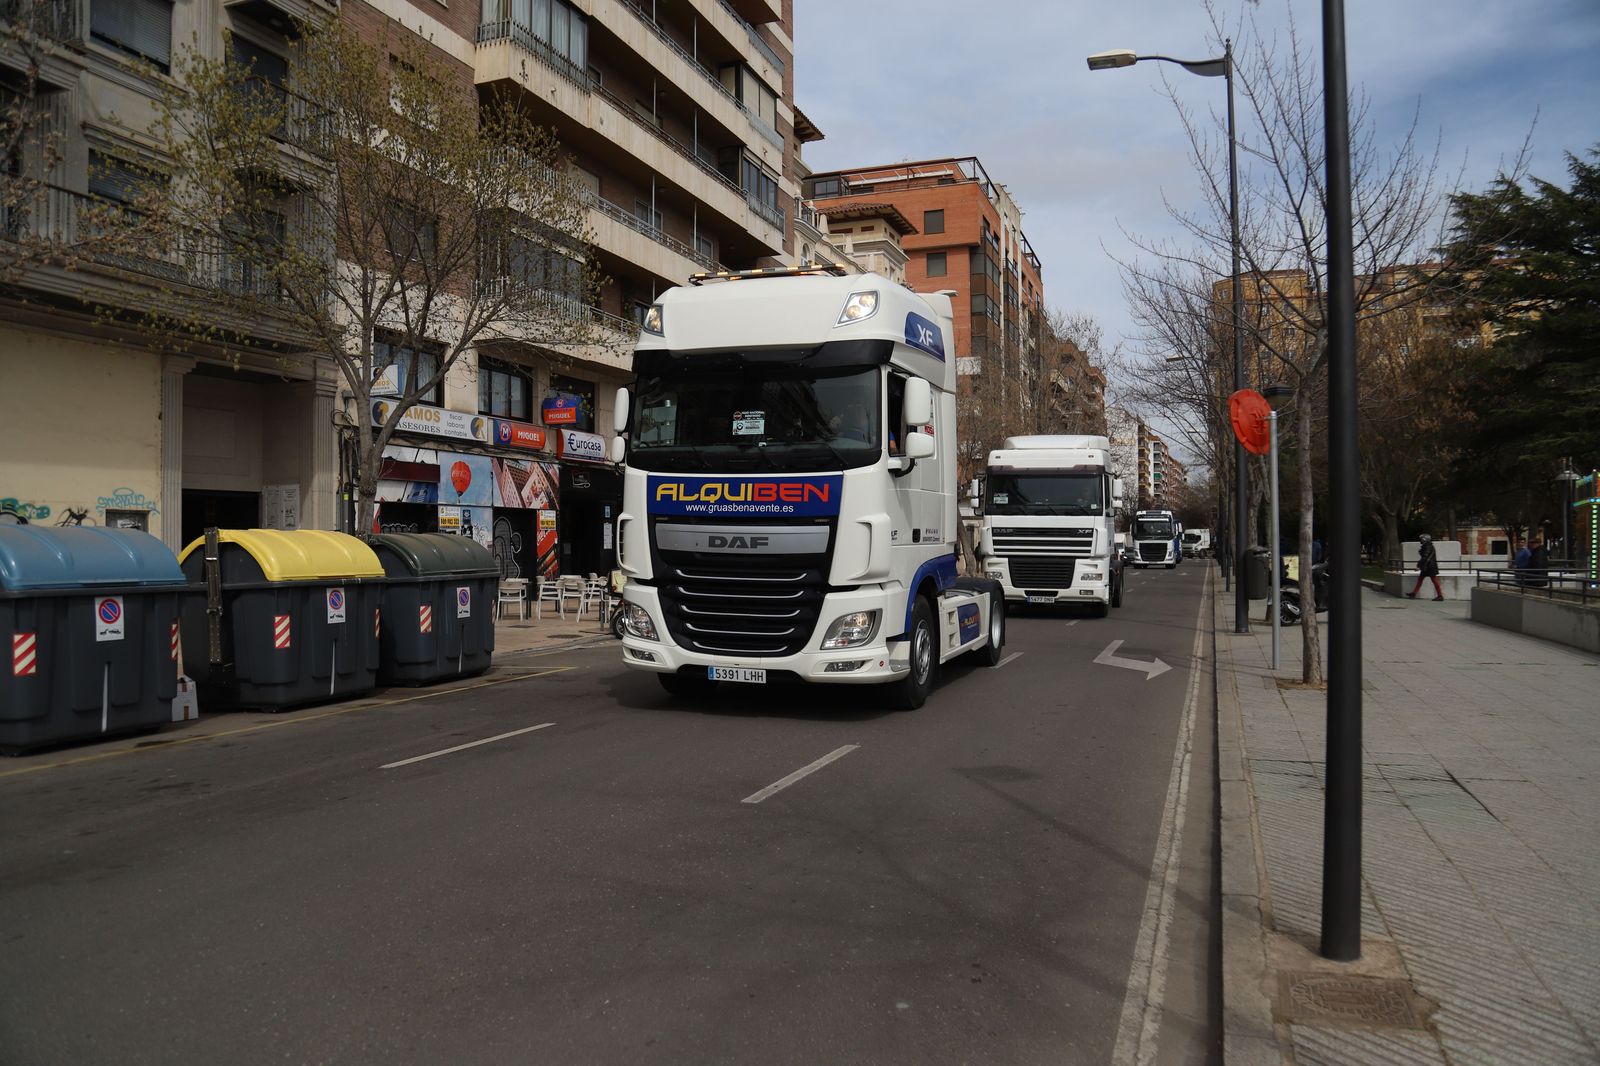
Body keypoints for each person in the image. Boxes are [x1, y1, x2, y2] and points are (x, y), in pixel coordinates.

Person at [1406, 533, 1443, 600]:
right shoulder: (1427, 546)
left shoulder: (1427, 546)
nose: (1420, 540)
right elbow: (1425, 557)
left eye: (1421, 539)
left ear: (1424, 539)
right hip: (1427, 566)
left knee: (1434, 580)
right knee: (1421, 579)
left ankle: (1440, 596)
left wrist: (1419, 566)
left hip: (1429, 566)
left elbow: (1425, 557)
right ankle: (1414, 593)